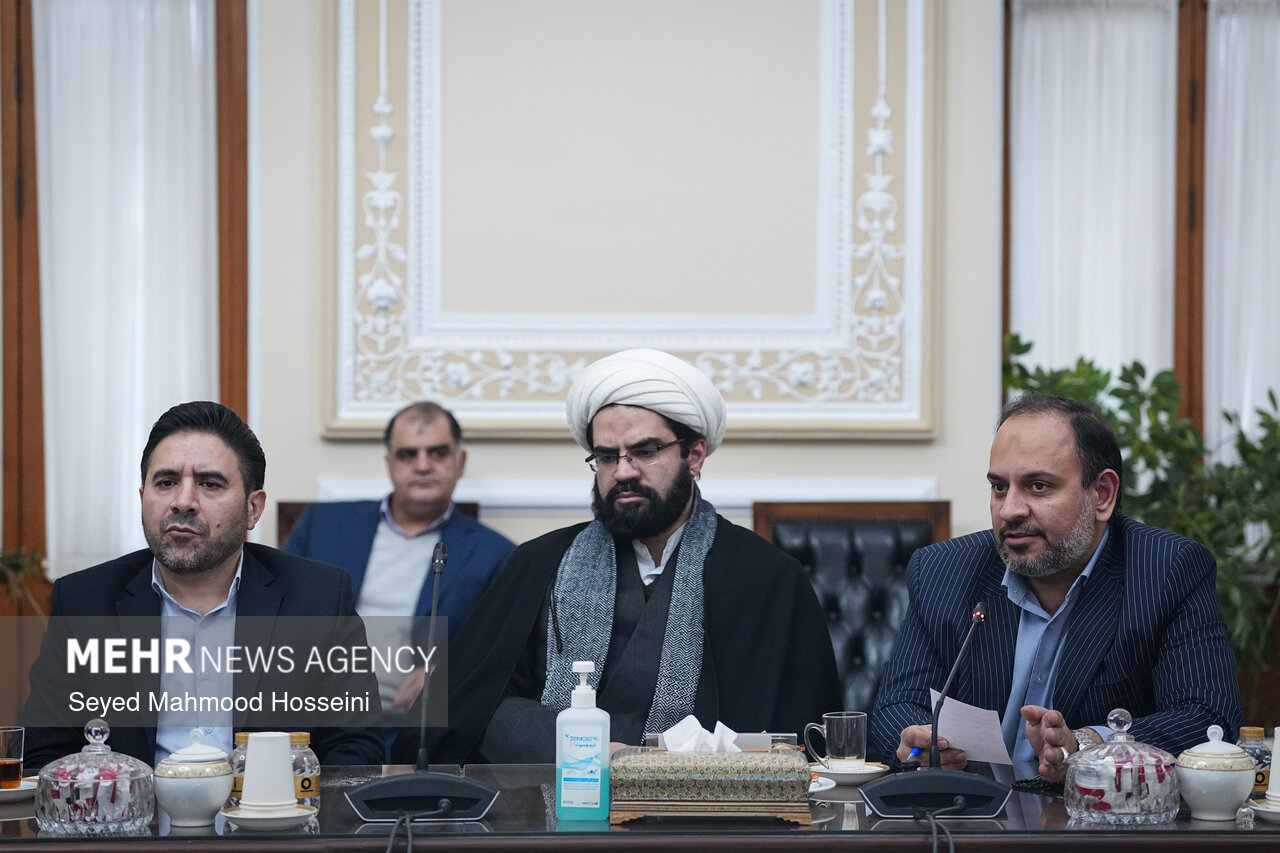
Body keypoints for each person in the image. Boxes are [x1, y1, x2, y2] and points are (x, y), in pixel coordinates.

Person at [399, 349, 841, 764]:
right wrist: (587, 748)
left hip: (704, 811)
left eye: (645, 452)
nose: (624, 472)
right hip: (551, 801)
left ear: (694, 455)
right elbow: (469, 710)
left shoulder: (766, 578)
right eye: (607, 457)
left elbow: (798, 743)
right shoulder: (540, 564)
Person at [869, 393, 1243, 781]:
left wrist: (1088, 747)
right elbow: (897, 706)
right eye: (999, 487)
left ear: (1102, 494)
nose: (1010, 510)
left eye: (1038, 486)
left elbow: (1207, 718)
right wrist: (917, 747)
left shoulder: (1166, 570)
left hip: (1095, 814)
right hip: (971, 812)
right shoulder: (943, 571)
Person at [24, 401, 383, 769]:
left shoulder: (318, 599)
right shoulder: (85, 602)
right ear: (143, 499)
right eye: (166, 483)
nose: (183, 502)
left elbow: (356, 748)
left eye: (210, 484)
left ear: (253, 509)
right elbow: (44, 755)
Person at [282, 402, 514, 720]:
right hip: (320, 716)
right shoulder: (322, 526)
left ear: (460, 462)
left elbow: (503, 653)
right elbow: (273, 612)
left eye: (437, 453)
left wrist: (449, 673)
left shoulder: (495, 554)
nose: (423, 466)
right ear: (389, 463)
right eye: (408, 454)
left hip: (415, 727)